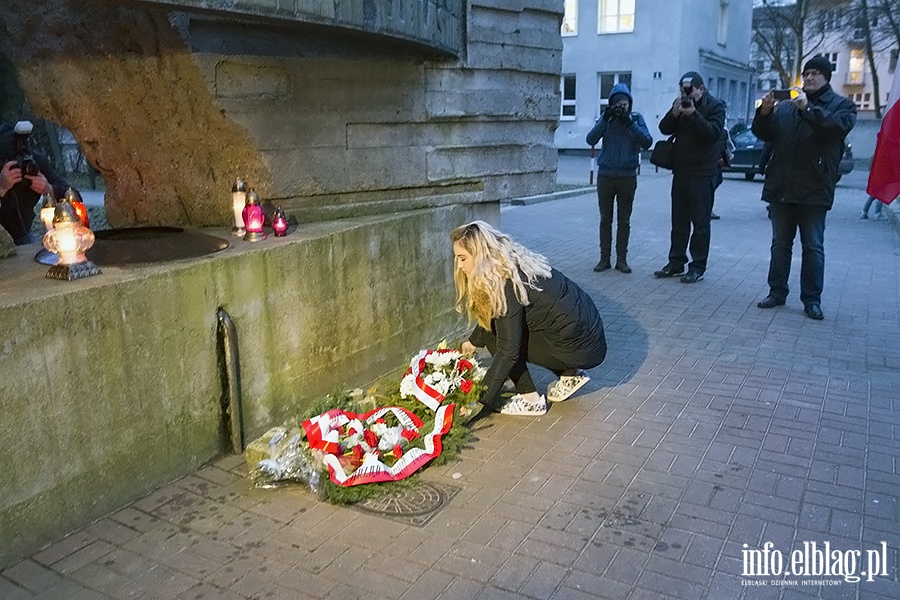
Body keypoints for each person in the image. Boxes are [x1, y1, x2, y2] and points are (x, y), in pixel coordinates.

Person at [452, 221, 607, 416]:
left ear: (481, 256)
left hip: (581, 347)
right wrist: (473, 342)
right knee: (506, 329)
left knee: (499, 339)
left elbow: (508, 351)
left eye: (462, 258)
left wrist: (477, 401)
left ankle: (531, 400)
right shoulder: (510, 263)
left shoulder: (506, 285)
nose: (459, 265)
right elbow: (497, 314)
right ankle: (569, 375)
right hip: (589, 337)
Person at [753, 55, 856, 321]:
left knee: (812, 246)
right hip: (782, 188)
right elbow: (766, 135)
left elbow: (833, 129)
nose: (809, 77)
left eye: (815, 73)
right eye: (806, 73)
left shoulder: (842, 105)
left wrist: (807, 109)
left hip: (815, 189)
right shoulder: (787, 106)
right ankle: (776, 292)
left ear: (826, 77)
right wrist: (763, 114)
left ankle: (811, 300)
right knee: (780, 245)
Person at [653, 72, 726, 283]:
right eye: (683, 89)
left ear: (701, 89)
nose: (686, 94)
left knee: (701, 224)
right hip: (681, 172)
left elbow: (712, 134)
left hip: (703, 174)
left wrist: (694, 115)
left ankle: (697, 267)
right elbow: (664, 128)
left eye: (690, 89)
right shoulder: (680, 105)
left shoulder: (715, 107)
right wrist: (675, 113)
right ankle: (676, 262)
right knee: (678, 222)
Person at [585, 83, 653, 274]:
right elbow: (590, 139)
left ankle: (621, 260)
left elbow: (647, 142)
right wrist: (605, 119)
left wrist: (630, 122)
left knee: (624, 220)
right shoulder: (606, 119)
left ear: (629, 103)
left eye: (624, 104)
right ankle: (604, 259)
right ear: (612, 104)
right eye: (618, 104)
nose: (621, 108)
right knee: (605, 219)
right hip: (606, 175)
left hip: (627, 177)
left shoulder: (636, 119)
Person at [0, 121, 70, 245]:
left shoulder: (34, 161)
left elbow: (73, 195)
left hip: (24, 235)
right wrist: (2, 187)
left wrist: (49, 189)